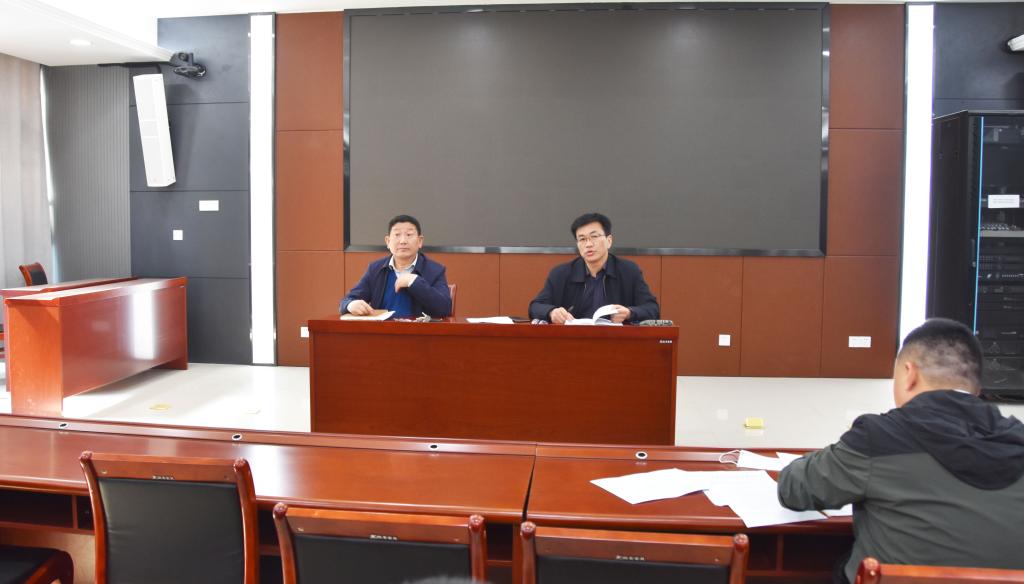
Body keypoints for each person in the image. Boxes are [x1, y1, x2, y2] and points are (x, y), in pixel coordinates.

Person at [777, 318, 1024, 584]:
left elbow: (794, 488)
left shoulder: (879, 438)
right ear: (976, 388)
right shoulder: (1017, 439)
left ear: (909, 374)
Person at [529, 212, 659, 324]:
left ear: (609, 241)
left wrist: (630, 313)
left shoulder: (629, 271)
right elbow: (535, 306)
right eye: (582, 239)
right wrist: (551, 312)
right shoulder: (561, 273)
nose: (588, 244)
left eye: (594, 237)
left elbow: (652, 308)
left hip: (615, 339)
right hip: (574, 339)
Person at [339, 214, 452, 318]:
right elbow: (347, 301)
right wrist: (350, 305)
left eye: (409, 235)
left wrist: (414, 282)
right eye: (397, 235)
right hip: (382, 331)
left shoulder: (435, 270)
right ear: (388, 241)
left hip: (419, 332)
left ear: (420, 241)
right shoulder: (375, 269)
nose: (403, 241)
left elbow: (444, 309)